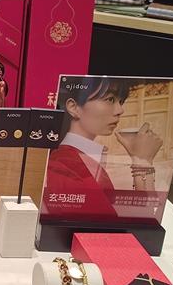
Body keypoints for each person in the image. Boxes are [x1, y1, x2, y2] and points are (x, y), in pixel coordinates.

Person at [45, 78, 163, 219]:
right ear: (73, 107)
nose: (120, 110)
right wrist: (142, 162)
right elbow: (139, 222)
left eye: (121, 101)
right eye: (110, 99)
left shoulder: (80, 157)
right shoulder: (64, 165)